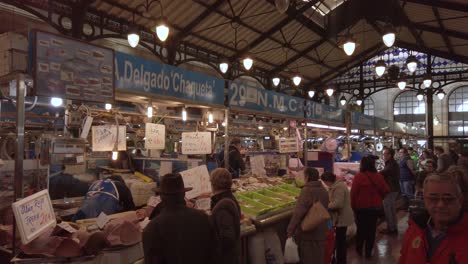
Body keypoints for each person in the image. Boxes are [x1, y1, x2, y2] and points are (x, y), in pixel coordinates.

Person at [142, 173, 215, 264]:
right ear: (183, 193)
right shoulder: (203, 218)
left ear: (161, 196)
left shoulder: (152, 228)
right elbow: (214, 253)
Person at [398, 173, 468, 263]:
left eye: (448, 199)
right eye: (433, 198)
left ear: (460, 200)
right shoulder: (414, 229)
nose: (440, 205)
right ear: (424, 199)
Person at [287, 168, 329, 264]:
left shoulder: (307, 190)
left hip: (308, 232)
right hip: (321, 231)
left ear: (307, 177)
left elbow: (299, 212)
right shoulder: (324, 190)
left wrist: (290, 230)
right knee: (318, 258)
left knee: (308, 258)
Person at [351, 156, 390, 258]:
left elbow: (353, 193)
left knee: (361, 229)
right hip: (375, 208)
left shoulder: (359, 176)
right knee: (371, 230)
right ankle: (368, 252)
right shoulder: (378, 176)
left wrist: (353, 206)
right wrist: (379, 198)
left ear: (363, 165)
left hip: (361, 208)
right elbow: (386, 190)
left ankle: (359, 249)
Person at [321, 172, 354, 264]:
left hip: (341, 218)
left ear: (328, 181)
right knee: (339, 241)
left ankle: (341, 260)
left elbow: (338, 203)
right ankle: (339, 259)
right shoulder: (336, 185)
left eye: (325, 182)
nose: (326, 184)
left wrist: (325, 206)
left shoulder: (338, 187)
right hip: (339, 218)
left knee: (340, 242)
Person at [209, 168, 241, 264]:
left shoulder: (223, 206)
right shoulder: (229, 198)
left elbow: (227, 238)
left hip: (225, 258)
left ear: (213, 184)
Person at [379, 148, 400, 235]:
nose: (383, 156)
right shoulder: (392, 163)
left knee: (388, 209)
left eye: (384, 154)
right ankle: (393, 227)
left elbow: (382, 173)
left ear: (389, 155)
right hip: (393, 189)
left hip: (390, 189)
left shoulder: (391, 164)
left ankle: (391, 229)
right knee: (391, 208)